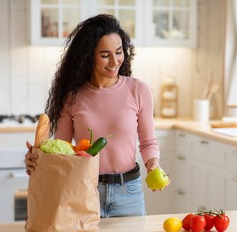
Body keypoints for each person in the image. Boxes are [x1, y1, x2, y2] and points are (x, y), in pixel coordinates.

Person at [24, 14, 165, 218]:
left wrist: (153, 165)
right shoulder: (72, 96)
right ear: (89, 56)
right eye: (105, 55)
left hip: (129, 192)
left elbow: (148, 141)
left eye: (119, 52)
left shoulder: (138, 90)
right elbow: (62, 150)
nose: (115, 61)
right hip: (84, 190)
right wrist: (37, 159)